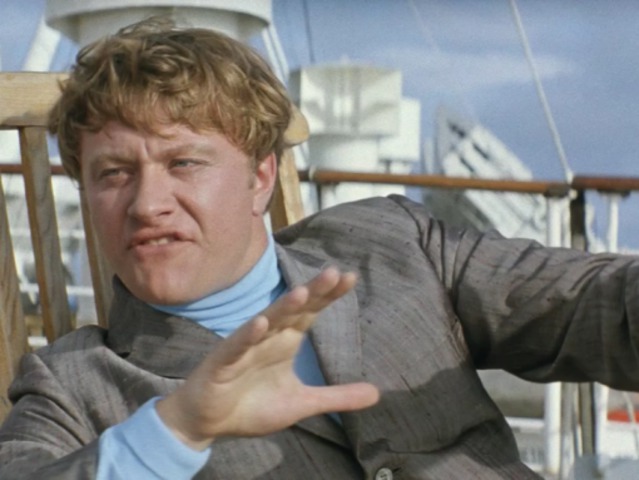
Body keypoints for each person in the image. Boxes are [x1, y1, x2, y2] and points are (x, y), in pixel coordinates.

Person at [0, 16, 638, 480]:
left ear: (260, 177)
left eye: (184, 162)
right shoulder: (73, 386)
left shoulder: (394, 246)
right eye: (113, 173)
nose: (146, 203)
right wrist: (174, 431)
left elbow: (595, 307)